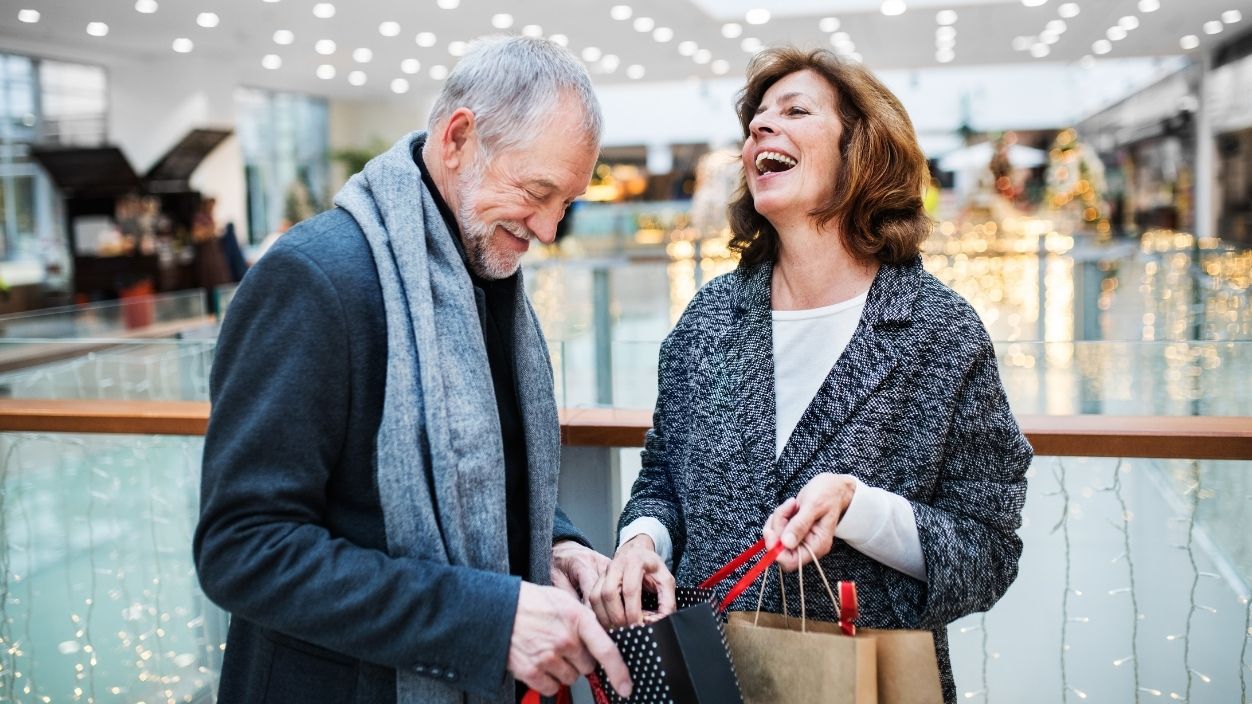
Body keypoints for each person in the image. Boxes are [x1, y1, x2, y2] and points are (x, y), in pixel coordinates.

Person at [194, 36, 631, 704]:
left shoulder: (485, 272)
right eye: (537, 191)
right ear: (458, 138)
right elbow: (243, 548)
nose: (547, 230)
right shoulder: (312, 278)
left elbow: (485, 474)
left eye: (565, 204)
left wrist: (555, 545)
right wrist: (484, 621)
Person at [590, 47, 1033, 704]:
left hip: (865, 684)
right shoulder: (710, 317)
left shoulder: (939, 331)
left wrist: (858, 508)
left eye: (795, 111)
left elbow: (987, 552)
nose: (760, 130)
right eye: (755, 121)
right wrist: (639, 543)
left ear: (862, 150)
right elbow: (662, 485)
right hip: (706, 678)